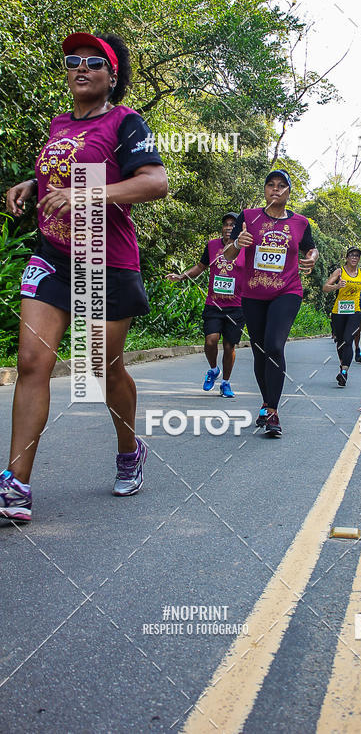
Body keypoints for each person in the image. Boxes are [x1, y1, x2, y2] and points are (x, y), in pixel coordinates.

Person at [1, 32, 167, 521]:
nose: (81, 67)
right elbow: (69, 173)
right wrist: (34, 184)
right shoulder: (59, 125)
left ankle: (129, 449)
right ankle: (16, 486)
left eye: (94, 62)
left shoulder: (126, 122)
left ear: (112, 77)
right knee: (33, 362)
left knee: (101, 369)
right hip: (53, 256)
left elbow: (154, 182)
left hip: (105, 261)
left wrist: (86, 195)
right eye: (73, 60)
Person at [226, 170, 318, 438]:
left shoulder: (301, 222)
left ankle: (273, 411)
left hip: (287, 291)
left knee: (274, 346)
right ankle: (267, 403)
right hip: (253, 293)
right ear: (265, 190)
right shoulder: (248, 216)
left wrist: (312, 257)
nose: (275, 190)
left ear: (289, 192)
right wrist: (237, 243)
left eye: (281, 186)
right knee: (259, 351)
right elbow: (228, 255)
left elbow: (310, 248)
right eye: (271, 185)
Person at [166, 212, 245, 397]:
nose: (229, 227)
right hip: (214, 304)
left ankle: (225, 383)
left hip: (237, 306)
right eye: (226, 224)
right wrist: (181, 276)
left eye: (233, 225)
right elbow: (200, 267)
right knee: (210, 341)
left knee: (229, 346)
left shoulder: (245, 247)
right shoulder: (212, 245)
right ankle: (214, 370)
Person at [324, 248, 361, 386]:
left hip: (355, 311)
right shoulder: (339, 272)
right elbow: (325, 287)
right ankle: (342, 365)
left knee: (348, 339)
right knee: (340, 341)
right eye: (352, 255)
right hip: (338, 311)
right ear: (347, 258)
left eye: (357, 256)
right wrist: (337, 286)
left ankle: (344, 371)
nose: (354, 257)